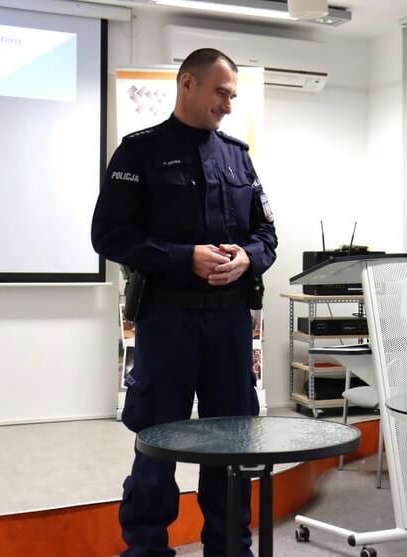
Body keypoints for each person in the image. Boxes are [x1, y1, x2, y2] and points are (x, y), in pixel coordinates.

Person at [92, 48, 277, 557]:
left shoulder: (238, 157)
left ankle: (230, 548)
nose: (228, 105)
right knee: (157, 447)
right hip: (168, 320)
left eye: (233, 96)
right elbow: (109, 236)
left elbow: (266, 234)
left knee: (231, 446)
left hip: (230, 326)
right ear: (187, 84)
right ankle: (146, 549)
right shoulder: (138, 152)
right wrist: (182, 258)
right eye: (221, 93)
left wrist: (247, 257)